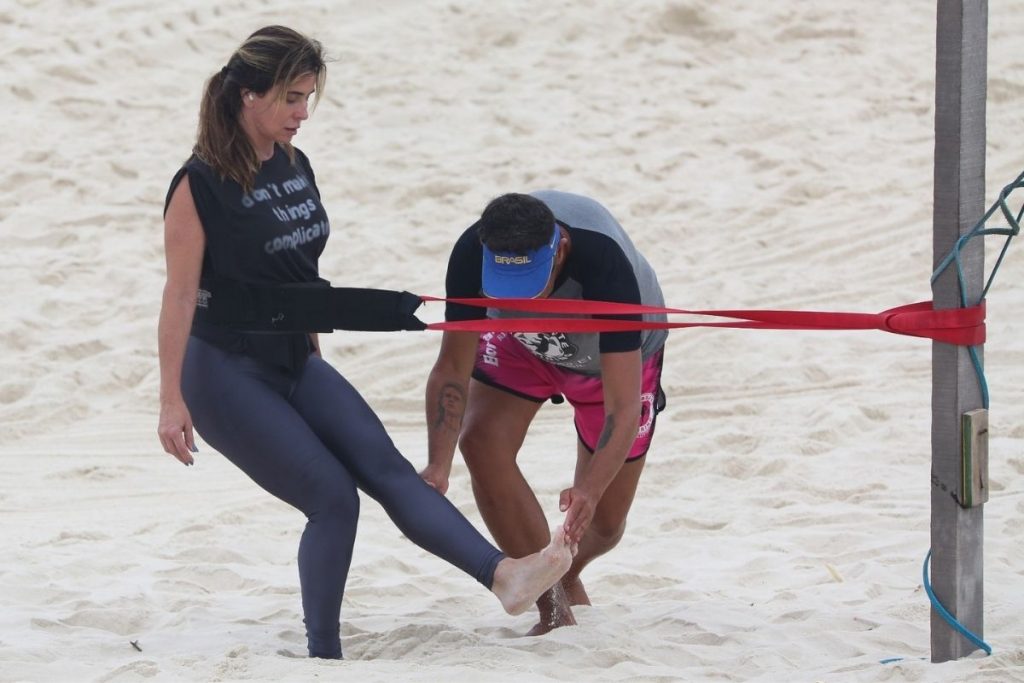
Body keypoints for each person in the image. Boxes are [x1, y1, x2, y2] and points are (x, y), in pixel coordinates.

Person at [156, 26, 572, 660]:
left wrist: (313, 351)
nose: (302, 114)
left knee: (389, 472)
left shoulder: (295, 164)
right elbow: (179, 295)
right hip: (222, 372)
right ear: (248, 95)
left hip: (295, 358)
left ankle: (505, 577)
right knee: (332, 499)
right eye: (292, 98)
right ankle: (324, 655)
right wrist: (170, 400)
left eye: (308, 98)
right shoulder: (200, 185)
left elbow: (302, 276)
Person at [421, 191, 668, 635]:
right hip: (523, 347)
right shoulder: (471, 252)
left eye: (530, 287)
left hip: (607, 363)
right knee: (479, 442)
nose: (519, 304)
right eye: (506, 291)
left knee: (606, 525)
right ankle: (552, 608)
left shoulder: (605, 266)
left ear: (561, 251)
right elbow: (451, 368)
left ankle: (560, 575)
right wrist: (438, 466)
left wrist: (589, 490)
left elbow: (624, 406)